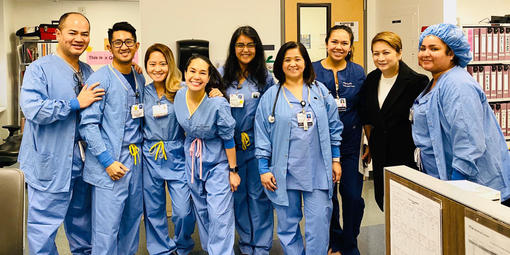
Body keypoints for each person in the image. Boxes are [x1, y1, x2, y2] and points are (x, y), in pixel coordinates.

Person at [18, 12, 103, 255]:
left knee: (82, 227)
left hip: (82, 163)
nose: (79, 38)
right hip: (50, 162)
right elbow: (34, 109)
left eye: (84, 34)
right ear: (58, 35)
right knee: (43, 229)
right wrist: (75, 103)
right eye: (72, 33)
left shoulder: (88, 71)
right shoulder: (39, 69)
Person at [255, 41, 343, 255]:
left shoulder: (320, 92)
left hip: (318, 170)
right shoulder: (271, 97)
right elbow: (262, 133)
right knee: (287, 225)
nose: (293, 64)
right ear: (280, 64)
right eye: (287, 59)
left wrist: (336, 159)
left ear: (305, 62)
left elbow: (334, 126)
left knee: (320, 221)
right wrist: (263, 168)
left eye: (298, 59)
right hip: (284, 172)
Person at [412, 23, 510, 206]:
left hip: (473, 187)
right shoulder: (437, 81)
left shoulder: (457, 85)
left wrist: (457, 186)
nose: (425, 53)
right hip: (446, 181)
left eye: (434, 49)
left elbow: (469, 141)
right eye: (422, 48)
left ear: (452, 54)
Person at [79, 21, 146, 254]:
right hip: (110, 163)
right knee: (106, 229)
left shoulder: (139, 79)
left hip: (135, 161)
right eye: (118, 42)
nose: (123, 46)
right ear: (109, 46)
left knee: (131, 222)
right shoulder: (101, 80)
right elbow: (88, 126)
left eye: (128, 42)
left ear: (136, 45)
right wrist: (107, 162)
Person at [173, 55, 240, 255]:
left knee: (219, 215)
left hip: (218, 163)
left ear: (209, 77)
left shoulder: (217, 103)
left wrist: (233, 170)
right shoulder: (179, 96)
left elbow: (228, 138)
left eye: (203, 72)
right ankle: (211, 250)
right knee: (201, 212)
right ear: (185, 73)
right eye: (192, 71)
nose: (196, 76)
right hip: (192, 160)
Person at [219, 26, 275, 255]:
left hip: (257, 144)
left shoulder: (265, 77)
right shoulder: (222, 75)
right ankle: (246, 243)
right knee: (239, 197)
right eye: (240, 45)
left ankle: (261, 247)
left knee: (259, 196)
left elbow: (272, 113)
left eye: (250, 45)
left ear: (257, 48)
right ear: (234, 48)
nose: (245, 49)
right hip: (231, 147)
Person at [359, 31, 428, 211]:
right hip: (381, 152)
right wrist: (371, 146)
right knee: (385, 202)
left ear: (399, 53)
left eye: (386, 52)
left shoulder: (416, 82)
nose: (380, 58)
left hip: (405, 154)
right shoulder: (372, 79)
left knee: (406, 205)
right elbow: (367, 117)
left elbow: (422, 124)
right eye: (376, 53)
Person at [311, 25, 365, 255]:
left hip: (351, 145)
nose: (339, 47)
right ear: (326, 43)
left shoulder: (358, 72)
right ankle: (334, 240)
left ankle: (350, 242)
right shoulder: (311, 70)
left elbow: (364, 108)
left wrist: (368, 142)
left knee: (353, 197)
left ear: (351, 46)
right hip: (320, 147)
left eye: (344, 43)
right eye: (335, 42)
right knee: (327, 198)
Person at [142, 43, 195, 255]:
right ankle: (161, 249)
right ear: (145, 66)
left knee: (182, 211)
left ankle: (182, 245)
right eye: (152, 64)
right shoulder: (141, 92)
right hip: (150, 154)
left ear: (170, 64)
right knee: (153, 210)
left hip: (176, 154)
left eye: (162, 64)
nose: (157, 68)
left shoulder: (180, 92)